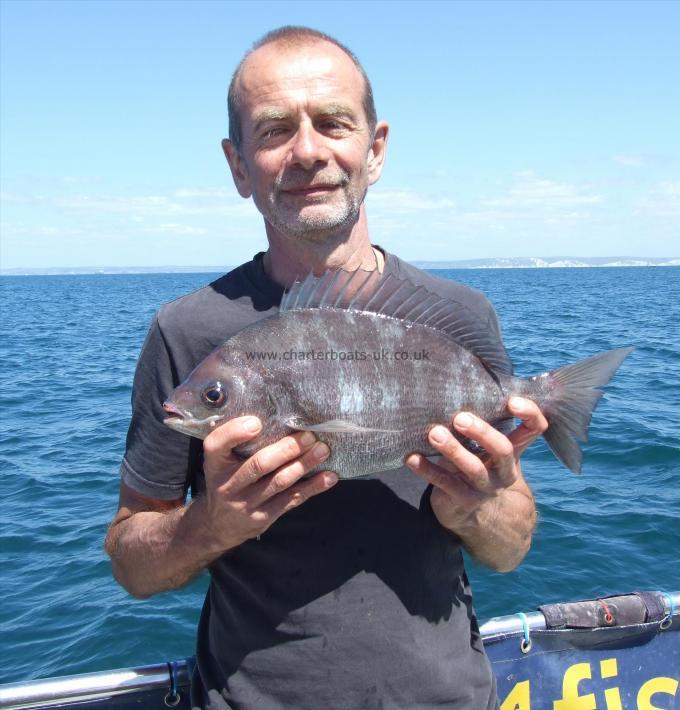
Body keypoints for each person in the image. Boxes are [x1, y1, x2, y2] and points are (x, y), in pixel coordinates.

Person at [105, 26, 547, 710]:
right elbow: (132, 561)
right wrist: (210, 525)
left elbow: (511, 546)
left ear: (375, 150)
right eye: (275, 130)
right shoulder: (185, 332)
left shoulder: (457, 314)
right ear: (238, 166)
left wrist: (479, 505)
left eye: (333, 123)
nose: (307, 151)